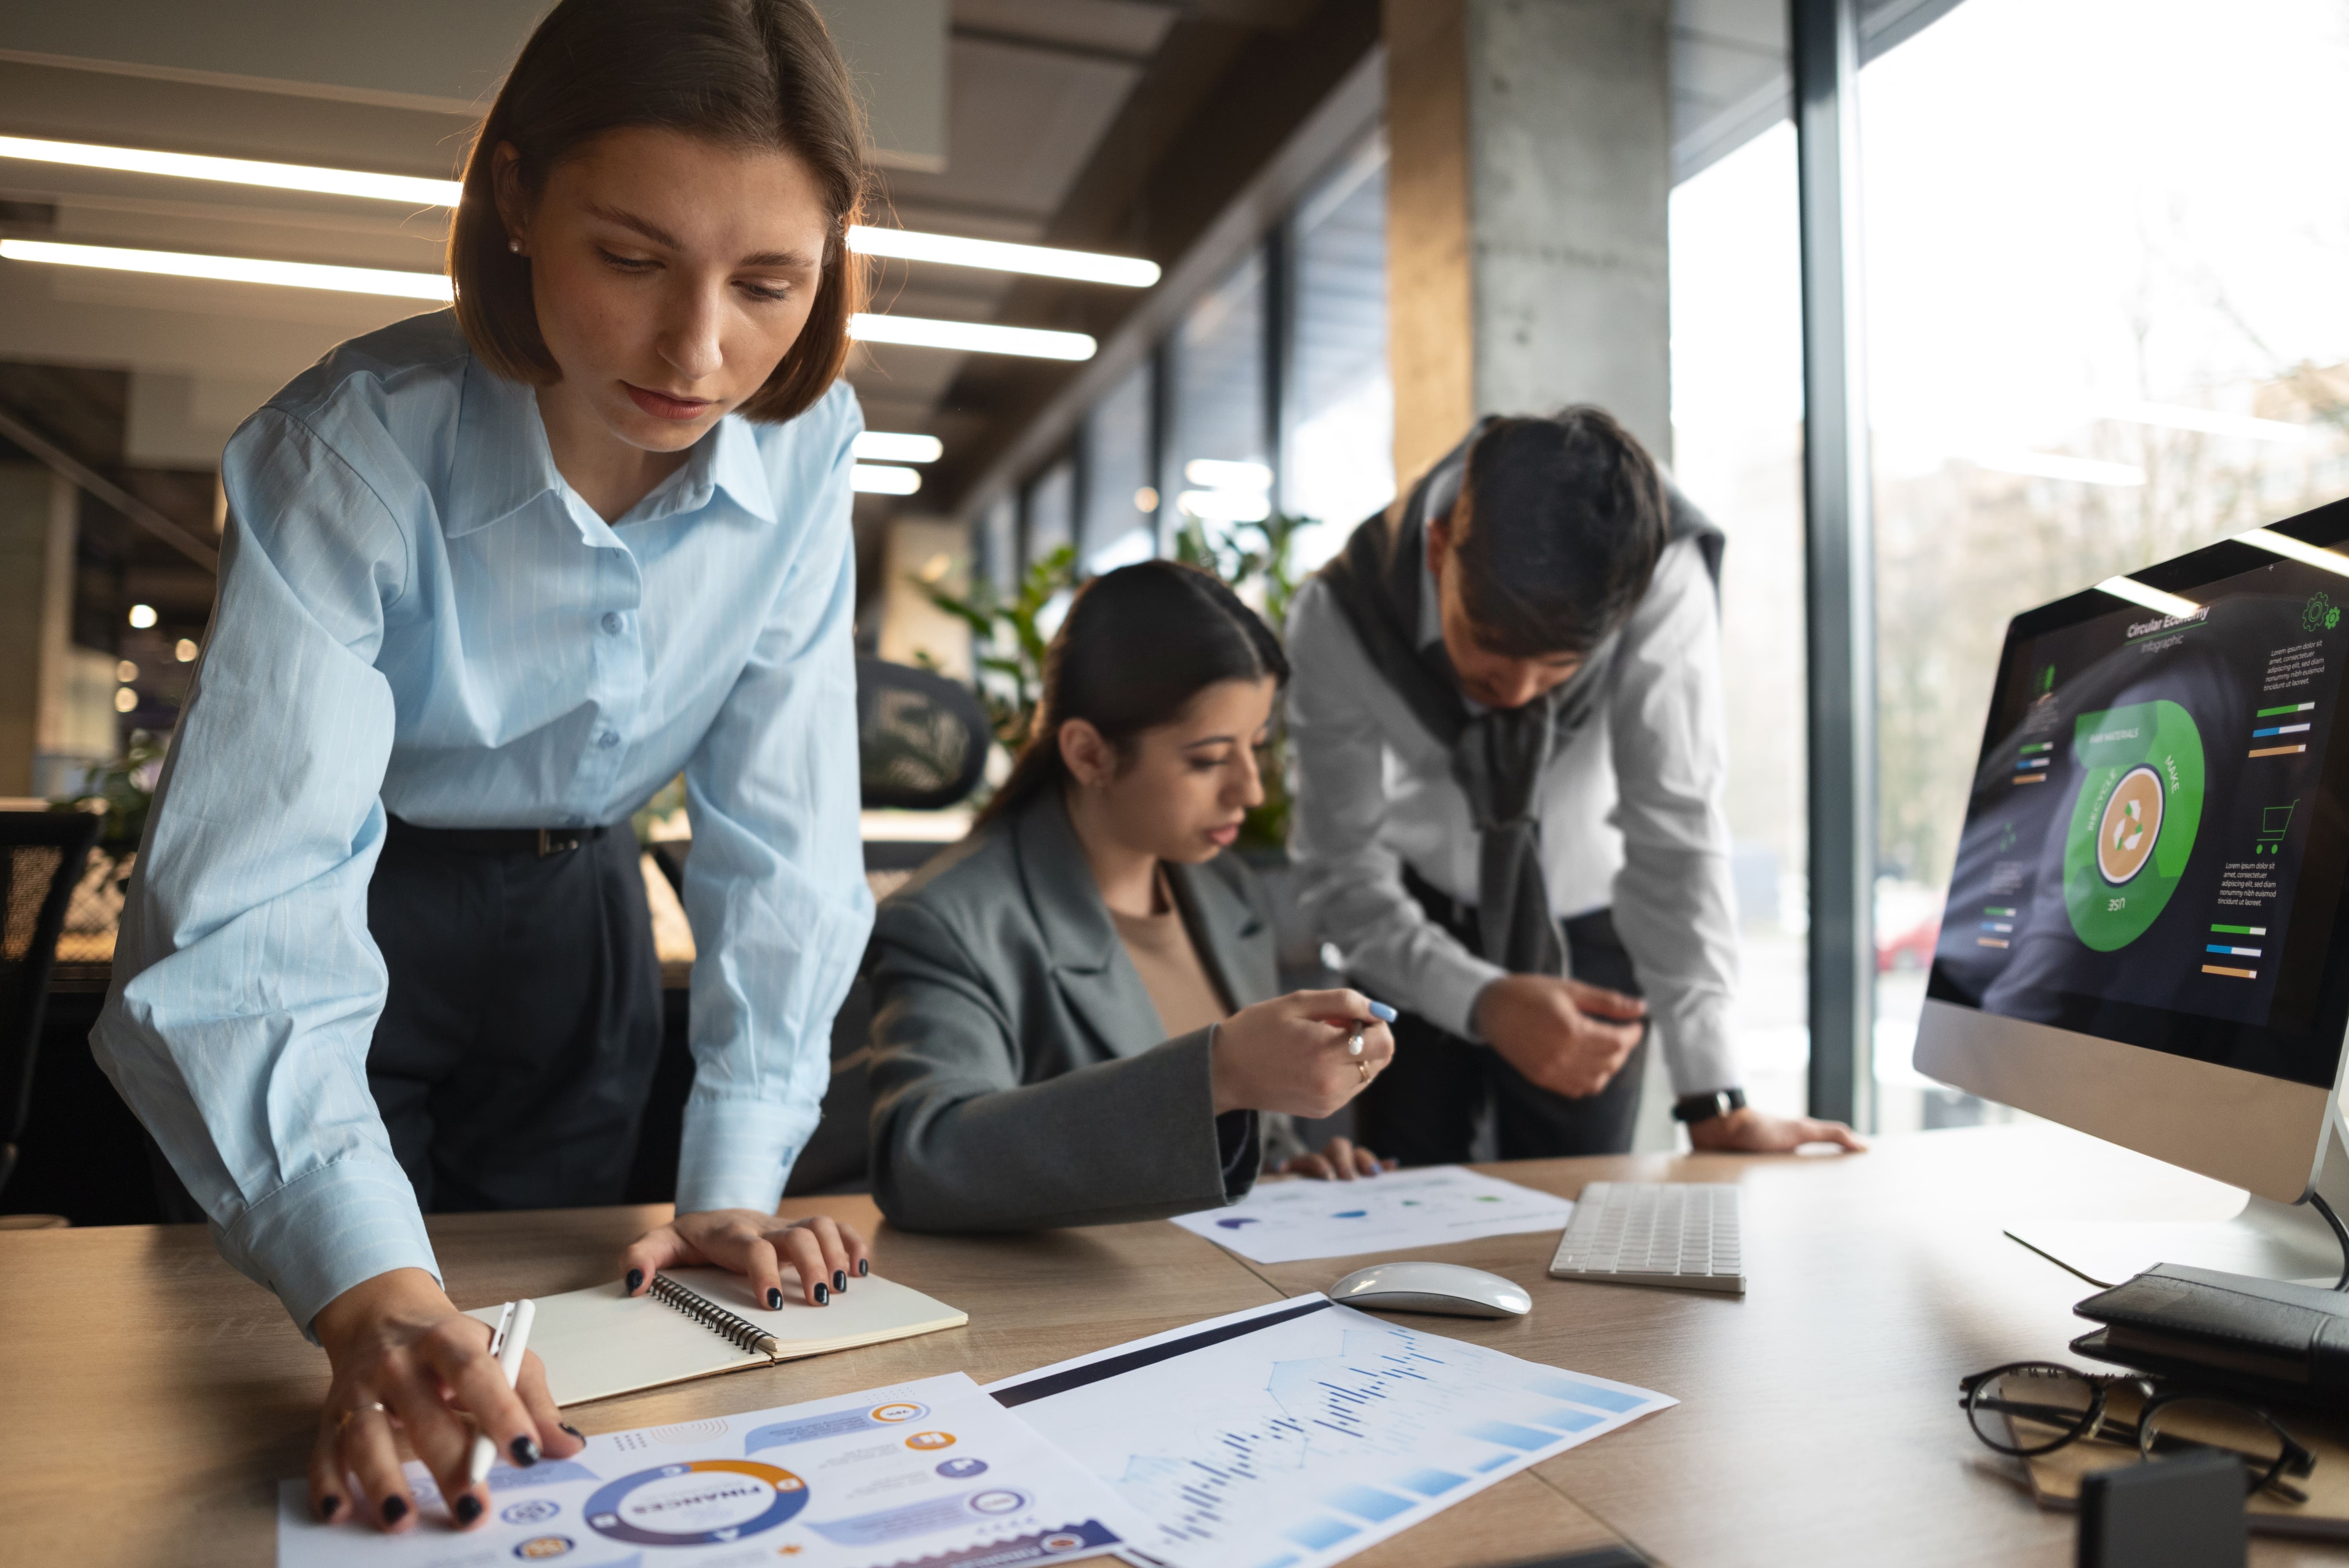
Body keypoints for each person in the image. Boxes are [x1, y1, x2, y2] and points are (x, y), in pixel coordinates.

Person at [90, 0, 878, 1535]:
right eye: (633, 258)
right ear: (516, 198)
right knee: (319, 1319)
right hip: (357, 905)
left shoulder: (809, 442)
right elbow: (254, 897)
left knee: (555, 1345)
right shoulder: (359, 443)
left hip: (584, 900)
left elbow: (785, 826)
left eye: (771, 281)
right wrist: (370, 1294)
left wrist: (729, 1183)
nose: (698, 348)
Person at [1285, 408, 1864, 1163]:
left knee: (1579, 1208)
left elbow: (1676, 830)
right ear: (1438, 551)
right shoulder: (1339, 616)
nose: (1520, 697)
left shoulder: (1659, 571)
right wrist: (1481, 998)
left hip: (1589, 932)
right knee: (1403, 1202)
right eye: (1489, 658)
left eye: (1558, 669)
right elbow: (1341, 868)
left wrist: (1714, 1096)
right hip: (1412, 926)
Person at [865, 561, 1399, 1232]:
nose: (1250, 791)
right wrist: (1216, 1074)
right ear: (1090, 754)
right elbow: (924, 1158)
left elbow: (1244, 1142)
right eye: (1208, 759)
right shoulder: (949, 920)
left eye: (1255, 748)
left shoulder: (1226, 890)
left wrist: (1287, 1168)